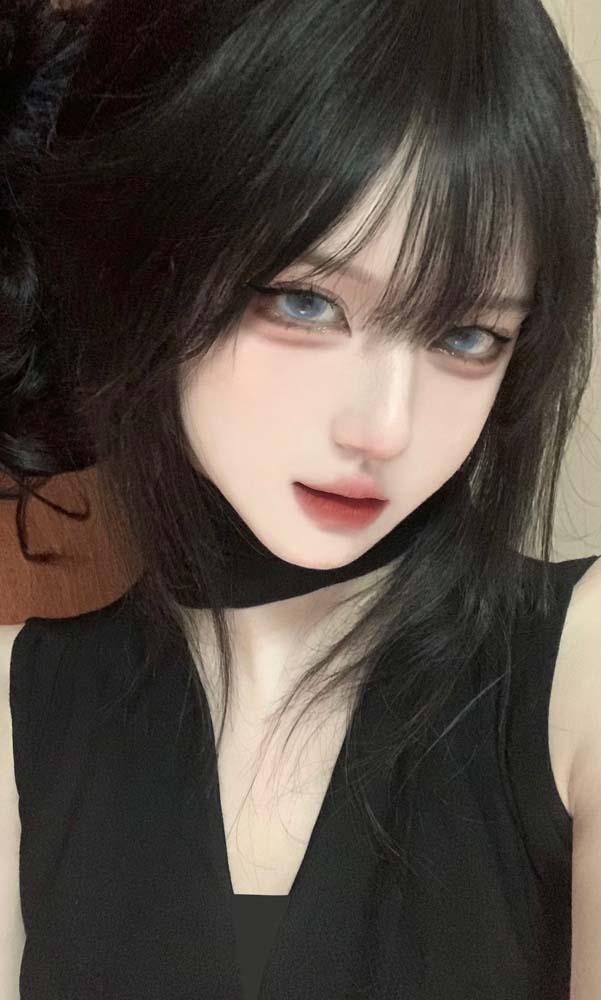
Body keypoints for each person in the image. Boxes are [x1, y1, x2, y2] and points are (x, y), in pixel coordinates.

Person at [0, 1, 601, 998]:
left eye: (467, 336)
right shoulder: (18, 708)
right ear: (147, 263)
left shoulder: (583, 669)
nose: (385, 429)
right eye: (304, 300)